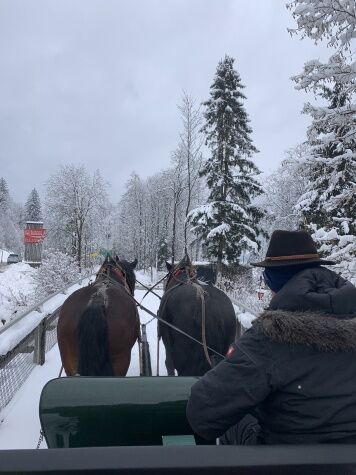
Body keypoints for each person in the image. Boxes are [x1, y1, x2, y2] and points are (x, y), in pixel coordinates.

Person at [186, 230, 356, 444]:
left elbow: (202, 414)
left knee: (238, 420)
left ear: (273, 282)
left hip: (288, 463)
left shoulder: (268, 338)